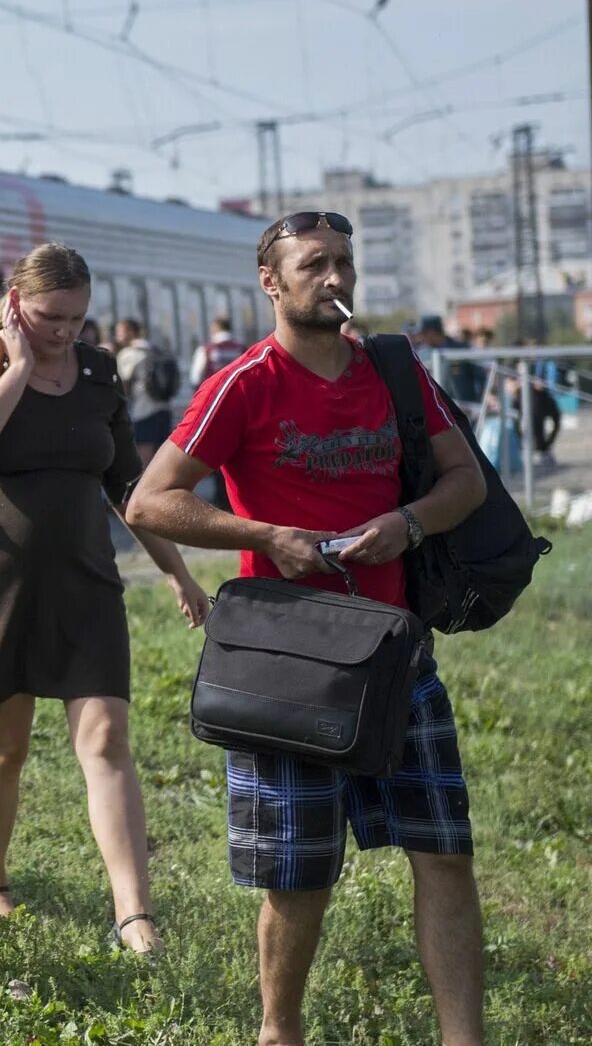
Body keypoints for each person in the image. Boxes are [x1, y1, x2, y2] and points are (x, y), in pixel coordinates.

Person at [126, 210, 488, 1046]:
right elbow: (152, 500)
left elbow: (464, 479)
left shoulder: (396, 370)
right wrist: (264, 536)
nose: (335, 279)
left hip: (398, 652)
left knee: (443, 851)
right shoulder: (243, 383)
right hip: (291, 662)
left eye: (344, 264)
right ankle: (278, 1031)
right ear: (272, 282)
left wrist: (410, 522)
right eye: (314, 264)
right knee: (298, 875)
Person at [0, 242, 208, 955]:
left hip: (86, 582)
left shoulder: (97, 368)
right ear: (18, 301)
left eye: (79, 318)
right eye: (52, 316)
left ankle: (132, 912)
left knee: (108, 740)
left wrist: (176, 571)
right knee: (5, 746)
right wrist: (20, 370)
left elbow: (128, 487)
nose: (65, 331)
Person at [113, 318, 170, 465]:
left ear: (130, 332)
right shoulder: (156, 349)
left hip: (142, 411)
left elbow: (122, 385)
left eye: (120, 332)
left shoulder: (129, 353)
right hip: (164, 409)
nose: (117, 336)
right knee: (162, 457)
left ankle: (145, 487)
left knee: (143, 459)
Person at [189, 314, 246, 385]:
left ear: (215, 328)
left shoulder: (206, 349)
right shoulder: (241, 348)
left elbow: (196, 377)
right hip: (238, 389)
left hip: (214, 390)